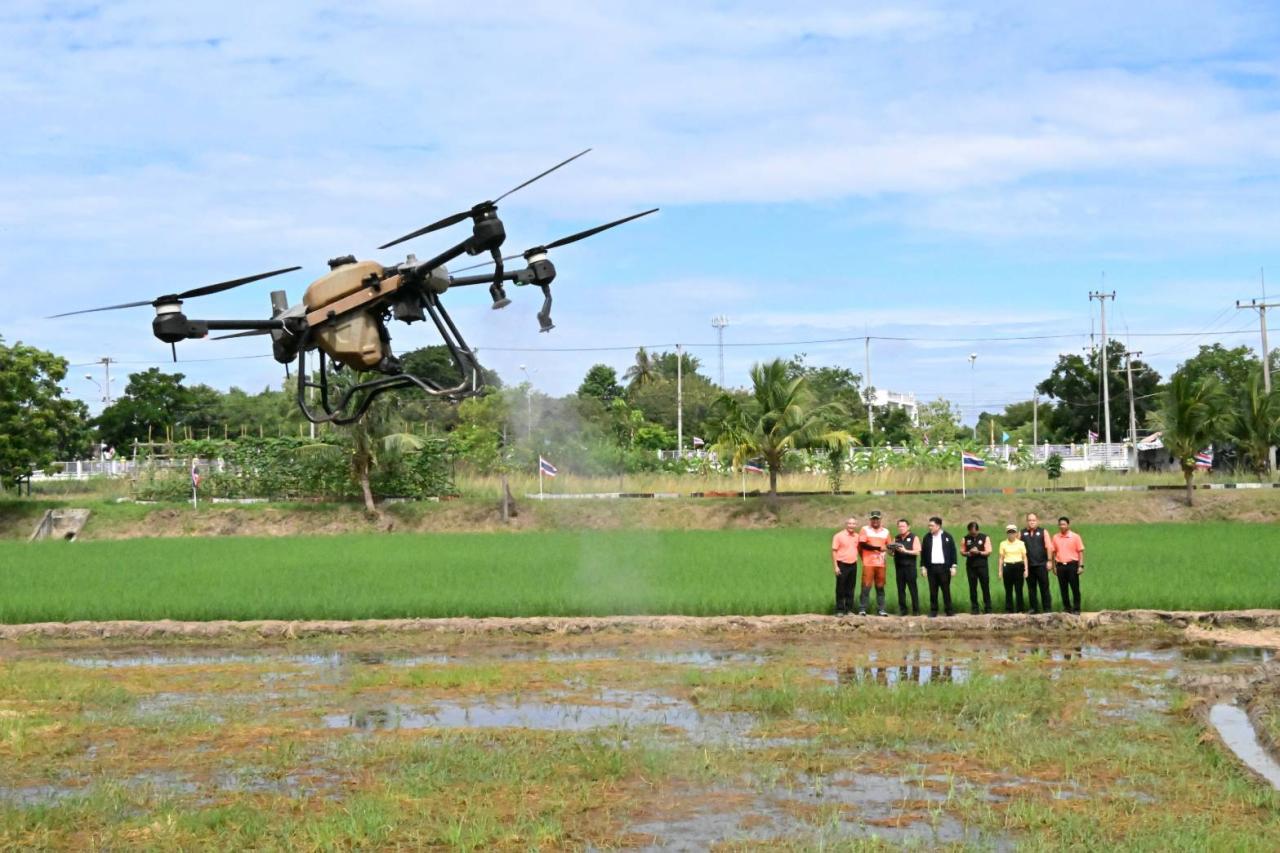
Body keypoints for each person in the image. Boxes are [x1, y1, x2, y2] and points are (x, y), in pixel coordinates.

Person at [920, 516, 958, 617]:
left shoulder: (947, 537)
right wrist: (923, 567)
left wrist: (953, 566)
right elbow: (923, 553)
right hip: (931, 568)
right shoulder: (927, 538)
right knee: (933, 590)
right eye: (929, 526)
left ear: (938, 526)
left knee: (946, 589)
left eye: (932, 526)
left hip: (944, 568)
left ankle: (949, 610)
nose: (930, 527)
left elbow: (953, 552)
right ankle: (933, 610)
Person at [857, 510, 892, 616]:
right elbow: (862, 544)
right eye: (873, 519)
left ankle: (881, 609)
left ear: (880, 519)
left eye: (877, 518)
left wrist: (893, 550)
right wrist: (878, 548)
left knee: (880, 586)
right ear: (870, 519)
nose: (875, 521)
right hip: (869, 563)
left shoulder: (886, 531)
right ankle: (862, 609)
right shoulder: (865, 529)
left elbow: (889, 546)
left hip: (881, 563)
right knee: (866, 586)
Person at [1020, 512, 1054, 614]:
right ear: (1027, 521)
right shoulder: (1022, 533)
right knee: (1031, 589)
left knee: (1044, 588)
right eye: (1029, 520)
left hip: (1041, 564)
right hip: (1029, 566)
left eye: (1033, 520)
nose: (1032, 522)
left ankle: (1047, 608)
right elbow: (1018, 547)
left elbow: (1049, 547)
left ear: (1037, 521)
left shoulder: (1043, 532)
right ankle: (1034, 608)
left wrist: (1049, 561)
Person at [1051, 516, 1085, 614]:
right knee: (1063, 588)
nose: (1062, 526)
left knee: (1075, 588)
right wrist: (1054, 566)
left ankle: (1077, 608)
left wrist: (1081, 566)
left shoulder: (1075, 537)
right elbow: (1053, 552)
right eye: (1060, 524)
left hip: (1072, 565)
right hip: (1060, 566)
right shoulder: (1055, 537)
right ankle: (1067, 608)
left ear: (1068, 525)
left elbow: (1080, 552)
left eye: (1064, 524)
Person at [890, 518, 922, 616]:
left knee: (913, 588)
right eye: (899, 526)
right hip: (899, 567)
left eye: (903, 526)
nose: (901, 528)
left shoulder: (914, 537)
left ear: (908, 527)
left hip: (910, 567)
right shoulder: (896, 538)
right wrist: (890, 550)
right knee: (900, 589)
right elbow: (892, 553)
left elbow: (917, 551)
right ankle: (903, 610)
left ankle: (916, 610)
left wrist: (905, 551)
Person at [831, 516, 860, 616]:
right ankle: (840, 610)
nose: (851, 526)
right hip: (842, 564)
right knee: (840, 588)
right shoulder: (838, 536)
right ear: (846, 524)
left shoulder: (857, 536)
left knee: (851, 588)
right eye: (849, 523)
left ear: (856, 525)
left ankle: (849, 609)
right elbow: (834, 551)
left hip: (853, 564)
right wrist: (836, 566)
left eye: (853, 524)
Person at [962, 521, 992, 615]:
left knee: (985, 587)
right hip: (971, 566)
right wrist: (968, 553)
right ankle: (975, 608)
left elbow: (989, 551)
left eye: (974, 532)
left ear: (977, 530)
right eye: (970, 532)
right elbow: (962, 551)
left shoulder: (984, 537)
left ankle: (988, 608)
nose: (972, 534)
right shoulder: (965, 538)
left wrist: (979, 552)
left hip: (982, 566)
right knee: (972, 587)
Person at [997, 523, 1027, 613]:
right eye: (1009, 532)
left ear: (1016, 533)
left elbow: (1025, 557)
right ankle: (1009, 609)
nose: (1011, 534)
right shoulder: (1003, 544)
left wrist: (1026, 569)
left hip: (1018, 566)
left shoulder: (1021, 543)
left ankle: (1020, 609)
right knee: (1008, 589)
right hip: (1007, 566)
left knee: (1019, 589)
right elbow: (1001, 558)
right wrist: (1000, 571)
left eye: (1013, 532)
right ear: (1007, 533)